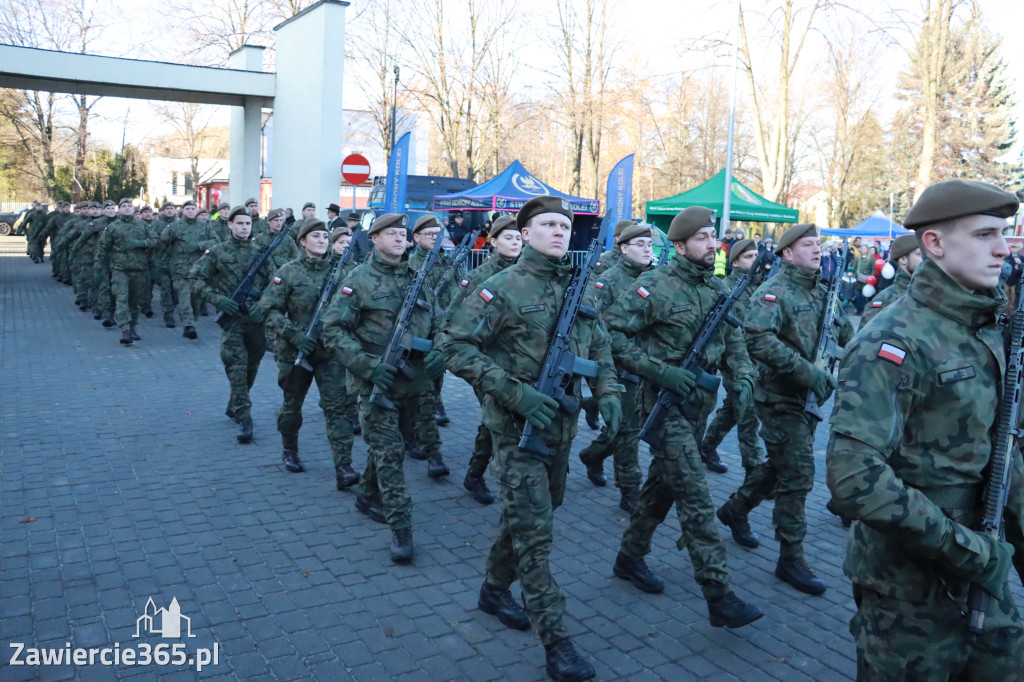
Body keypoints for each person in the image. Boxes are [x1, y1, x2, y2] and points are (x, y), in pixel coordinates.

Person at [827, 179, 1024, 680]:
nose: (1003, 247)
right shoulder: (893, 339)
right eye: (984, 235)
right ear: (933, 244)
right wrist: (967, 550)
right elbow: (854, 477)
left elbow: (1003, 451)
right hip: (909, 591)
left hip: (986, 569)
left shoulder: (985, 328)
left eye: (1002, 233)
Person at [441, 195, 622, 682]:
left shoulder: (579, 287)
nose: (560, 232)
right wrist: (512, 393)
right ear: (525, 232)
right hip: (517, 432)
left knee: (534, 514)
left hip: (562, 428)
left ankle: (493, 588)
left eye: (565, 226)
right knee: (536, 537)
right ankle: (557, 642)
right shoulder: (501, 287)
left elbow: (600, 346)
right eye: (548, 224)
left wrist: (607, 391)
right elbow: (453, 346)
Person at [600, 206, 763, 632]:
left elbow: (734, 342)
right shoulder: (653, 286)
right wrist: (657, 369)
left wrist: (743, 377)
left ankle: (629, 557)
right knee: (694, 491)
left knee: (661, 488)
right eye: (704, 237)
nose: (714, 244)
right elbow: (609, 334)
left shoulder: (717, 289)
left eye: (714, 236)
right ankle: (719, 593)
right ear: (679, 245)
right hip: (662, 405)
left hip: (698, 410)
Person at [716, 223, 854, 596]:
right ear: (787, 254)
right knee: (798, 476)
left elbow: (843, 337)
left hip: (809, 400)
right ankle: (790, 557)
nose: (817, 251)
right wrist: (806, 372)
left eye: (818, 245)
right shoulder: (773, 292)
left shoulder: (826, 292)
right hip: (779, 398)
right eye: (808, 245)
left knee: (780, 466)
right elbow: (757, 339)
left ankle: (735, 509)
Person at [321, 213, 446, 565]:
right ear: (373, 239)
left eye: (401, 234)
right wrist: (366, 365)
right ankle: (401, 527)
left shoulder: (416, 278)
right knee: (390, 453)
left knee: (397, 444)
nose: (398, 238)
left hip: (414, 381)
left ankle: (366, 495)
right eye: (390, 233)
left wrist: (439, 349)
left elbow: (440, 321)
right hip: (375, 381)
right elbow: (333, 330)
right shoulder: (357, 280)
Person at [256, 218, 360, 489]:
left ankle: (343, 466)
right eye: (315, 237)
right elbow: (269, 309)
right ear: (302, 241)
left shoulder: (342, 271)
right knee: (292, 406)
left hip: (330, 350)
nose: (322, 241)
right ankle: (289, 448)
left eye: (325, 237)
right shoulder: (288, 272)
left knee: (338, 408)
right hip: (295, 351)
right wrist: (294, 335)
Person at [444, 215, 522, 505]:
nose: (515, 243)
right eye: (509, 238)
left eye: (518, 238)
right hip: (486, 363)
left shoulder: (528, 275)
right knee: (499, 421)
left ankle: (474, 473)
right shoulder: (479, 277)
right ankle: (493, 485)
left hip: (519, 363)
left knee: (496, 422)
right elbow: (452, 318)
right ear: (494, 241)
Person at [577, 222, 654, 513]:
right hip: (620, 367)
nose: (648, 250)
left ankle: (593, 454)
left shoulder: (657, 278)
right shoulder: (607, 281)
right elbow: (594, 327)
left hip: (652, 367)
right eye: (641, 245)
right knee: (627, 431)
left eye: (650, 245)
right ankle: (629, 489)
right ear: (624, 248)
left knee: (629, 427)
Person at [190, 206, 271, 444]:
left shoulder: (261, 252)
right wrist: (218, 300)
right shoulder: (217, 252)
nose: (244, 227)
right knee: (237, 368)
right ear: (230, 225)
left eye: (248, 224)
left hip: (256, 321)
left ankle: (233, 404)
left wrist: (263, 303)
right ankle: (245, 418)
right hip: (233, 321)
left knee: (252, 368)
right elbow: (195, 279)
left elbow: (276, 286)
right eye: (240, 223)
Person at [699, 238, 768, 486]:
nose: (755, 261)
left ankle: (707, 447)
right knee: (748, 415)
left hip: (756, 362)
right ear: (735, 261)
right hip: (733, 362)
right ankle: (755, 472)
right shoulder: (727, 288)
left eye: (756, 256)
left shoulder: (761, 286)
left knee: (731, 411)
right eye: (749, 257)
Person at [402, 214, 453, 476]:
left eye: (438, 233)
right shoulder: (411, 266)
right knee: (418, 397)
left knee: (431, 391)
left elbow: (457, 296)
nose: (435, 238)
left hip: (440, 335)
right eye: (430, 234)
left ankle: (420, 439)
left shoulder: (448, 263)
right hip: (414, 340)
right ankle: (420, 442)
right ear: (417, 237)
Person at [98, 198, 158, 345]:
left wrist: (140, 243)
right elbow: (103, 247)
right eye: (123, 206)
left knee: (135, 301)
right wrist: (100, 267)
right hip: (120, 270)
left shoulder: (143, 225)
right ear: (119, 209)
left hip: (139, 269)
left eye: (129, 206)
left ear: (133, 208)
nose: (127, 208)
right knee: (122, 299)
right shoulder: (113, 227)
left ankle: (132, 328)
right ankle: (125, 329)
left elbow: (156, 241)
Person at [161, 200, 220, 340]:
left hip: (199, 270)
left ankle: (191, 322)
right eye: (187, 209)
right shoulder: (175, 226)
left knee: (196, 302)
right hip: (180, 270)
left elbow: (216, 241)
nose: (190, 211)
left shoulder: (204, 226)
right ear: (183, 211)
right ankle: (189, 325)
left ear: (196, 211)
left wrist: (199, 245)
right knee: (184, 297)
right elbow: (163, 241)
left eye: (193, 209)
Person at [859, 234, 921, 327]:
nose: (925, 259)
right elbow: (864, 338)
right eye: (919, 254)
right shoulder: (885, 299)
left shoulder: (926, 293)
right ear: (903, 259)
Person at [151, 202, 180, 328]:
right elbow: (152, 239)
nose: (169, 211)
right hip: (161, 262)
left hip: (178, 263)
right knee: (166, 289)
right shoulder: (156, 224)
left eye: (172, 208)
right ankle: (168, 314)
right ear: (163, 211)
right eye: (167, 209)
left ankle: (172, 306)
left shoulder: (180, 223)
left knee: (176, 291)